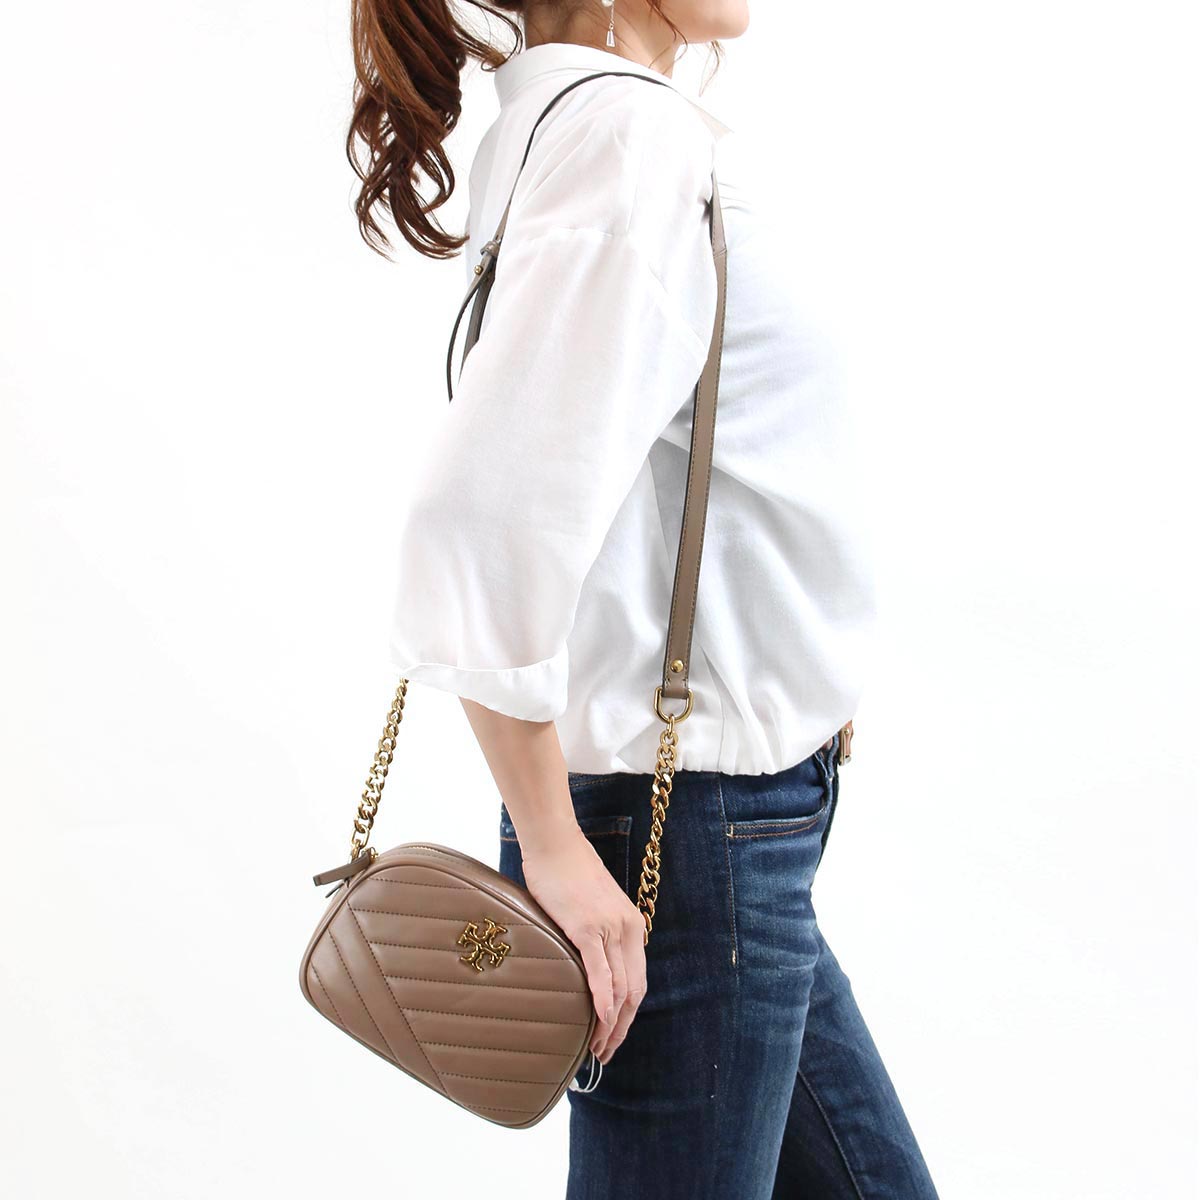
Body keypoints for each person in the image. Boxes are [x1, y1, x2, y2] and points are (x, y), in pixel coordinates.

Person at [350, 0, 939, 1195]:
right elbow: (477, 520)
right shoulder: (626, 141)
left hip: (729, 829)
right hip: (690, 839)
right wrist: (556, 850)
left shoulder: (592, 127)